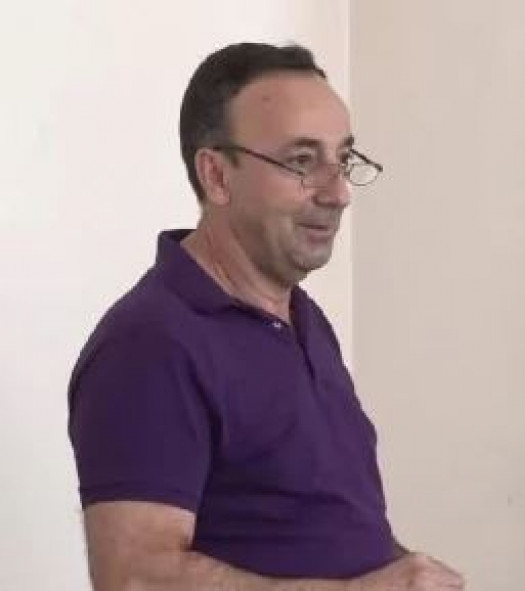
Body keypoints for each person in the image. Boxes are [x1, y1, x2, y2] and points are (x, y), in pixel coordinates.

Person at [67, 43, 465, 591]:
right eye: (301, 161)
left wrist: (405, 572)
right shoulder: (149, 343)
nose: (338, 192)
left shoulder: (306, 320)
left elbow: (324, 528)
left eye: (343, 159)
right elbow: (133, 576)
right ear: (216, 175)